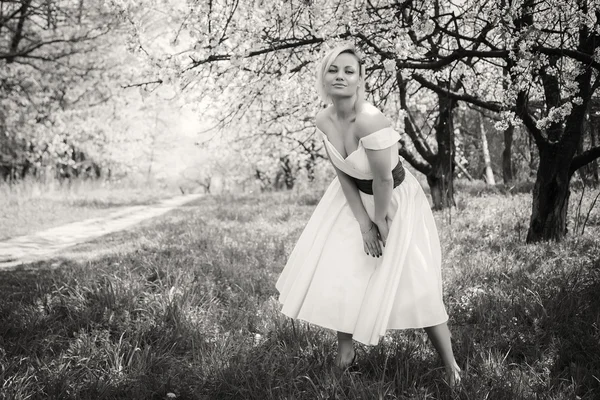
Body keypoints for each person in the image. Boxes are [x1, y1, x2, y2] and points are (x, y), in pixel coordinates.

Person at [275, 42, 461, 386]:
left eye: (349, 71)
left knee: (415, 280)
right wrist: (362, 223)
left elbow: (384, 177)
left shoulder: (371, 120)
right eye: (333, 70)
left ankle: (451, 367)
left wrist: (379, 223)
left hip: (393, 199)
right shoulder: (323, 119)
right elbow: (343, 173)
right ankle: (345, 352)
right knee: (343, 269)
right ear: (324, 77)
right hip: (352, 197)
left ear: (361, 79)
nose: (340, 76)